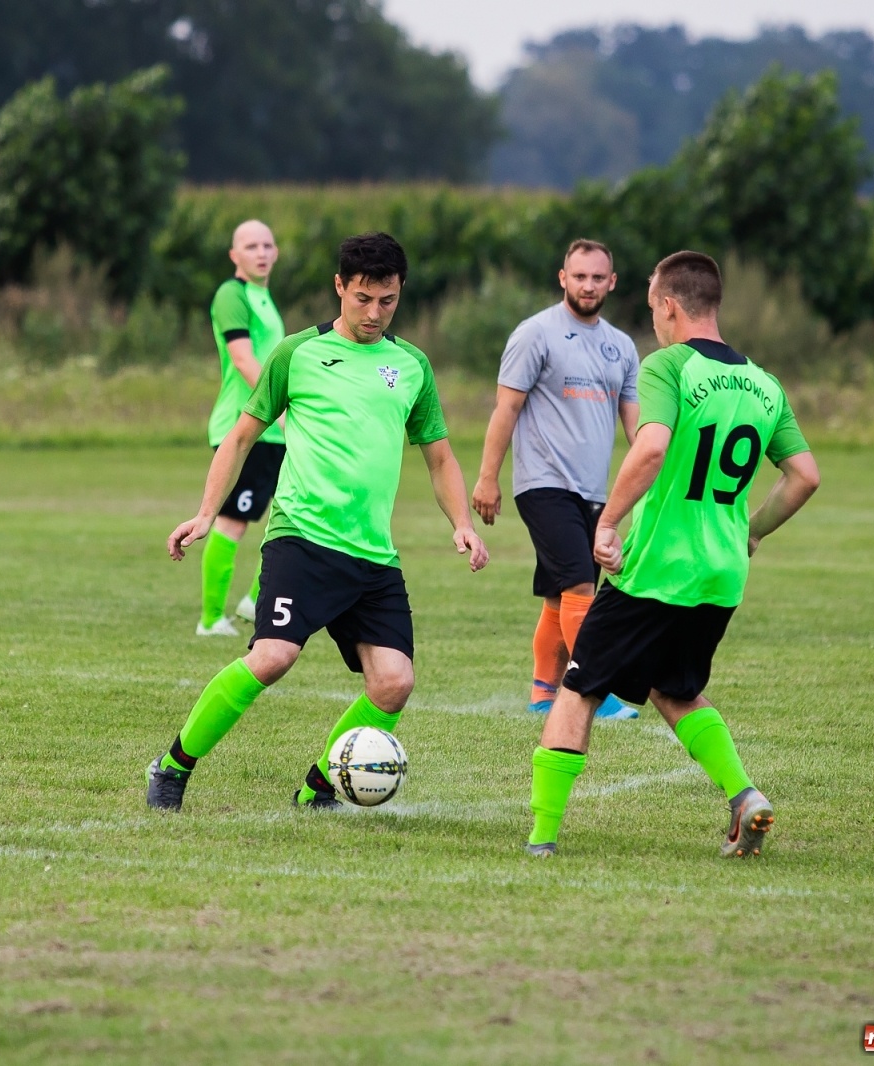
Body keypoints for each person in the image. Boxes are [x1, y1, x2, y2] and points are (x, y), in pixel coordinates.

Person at [147, 232, 488, 811]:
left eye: (388, 300)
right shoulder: (297, 353)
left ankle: (319, 787)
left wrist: (461, 521)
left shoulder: (411, 367)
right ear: (339, 287)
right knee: (273, 657)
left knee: (393, 684)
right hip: (300, 540)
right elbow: (241, 436)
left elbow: (440, 455)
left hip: (373, 554)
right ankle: (173, 765)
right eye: (363, 298)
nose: (375, 313)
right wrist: (207, 512)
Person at [522, 251, 819, 858]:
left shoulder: (668, 366)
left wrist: (607, 522)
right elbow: (804, 475)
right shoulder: (765, 383)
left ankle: (541, 838)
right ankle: (744, 795)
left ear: (669, 307)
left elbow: (651, 447)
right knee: (675, 689)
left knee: (577, 688)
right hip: (721, 574)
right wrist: (752, 530)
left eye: (654, 308)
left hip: (658, 567)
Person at [471, 238, 640, 720]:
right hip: (543, 484)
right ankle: (593, 687)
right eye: (579, 276)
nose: (588, 285)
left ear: (612, 282)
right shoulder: (535, 333)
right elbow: (506, 408)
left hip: (594, 492)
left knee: (558, 595)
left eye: (597, 277)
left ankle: (544, 693)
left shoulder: (622, 346)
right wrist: (488, 478)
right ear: (562, 278)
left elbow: (636, 427)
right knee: (582, 587)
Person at [197, 220, 286, 636]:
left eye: (267, 245)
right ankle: (211, 619)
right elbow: (244, 360)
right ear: (234, 255)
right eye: (251, 246)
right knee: (232, 520)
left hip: (270, 429)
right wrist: (279, 409)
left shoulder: (263, 297)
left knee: (288, 514)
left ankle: (255, 601)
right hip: (244, 428)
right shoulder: (231, 295)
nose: (261, 252)